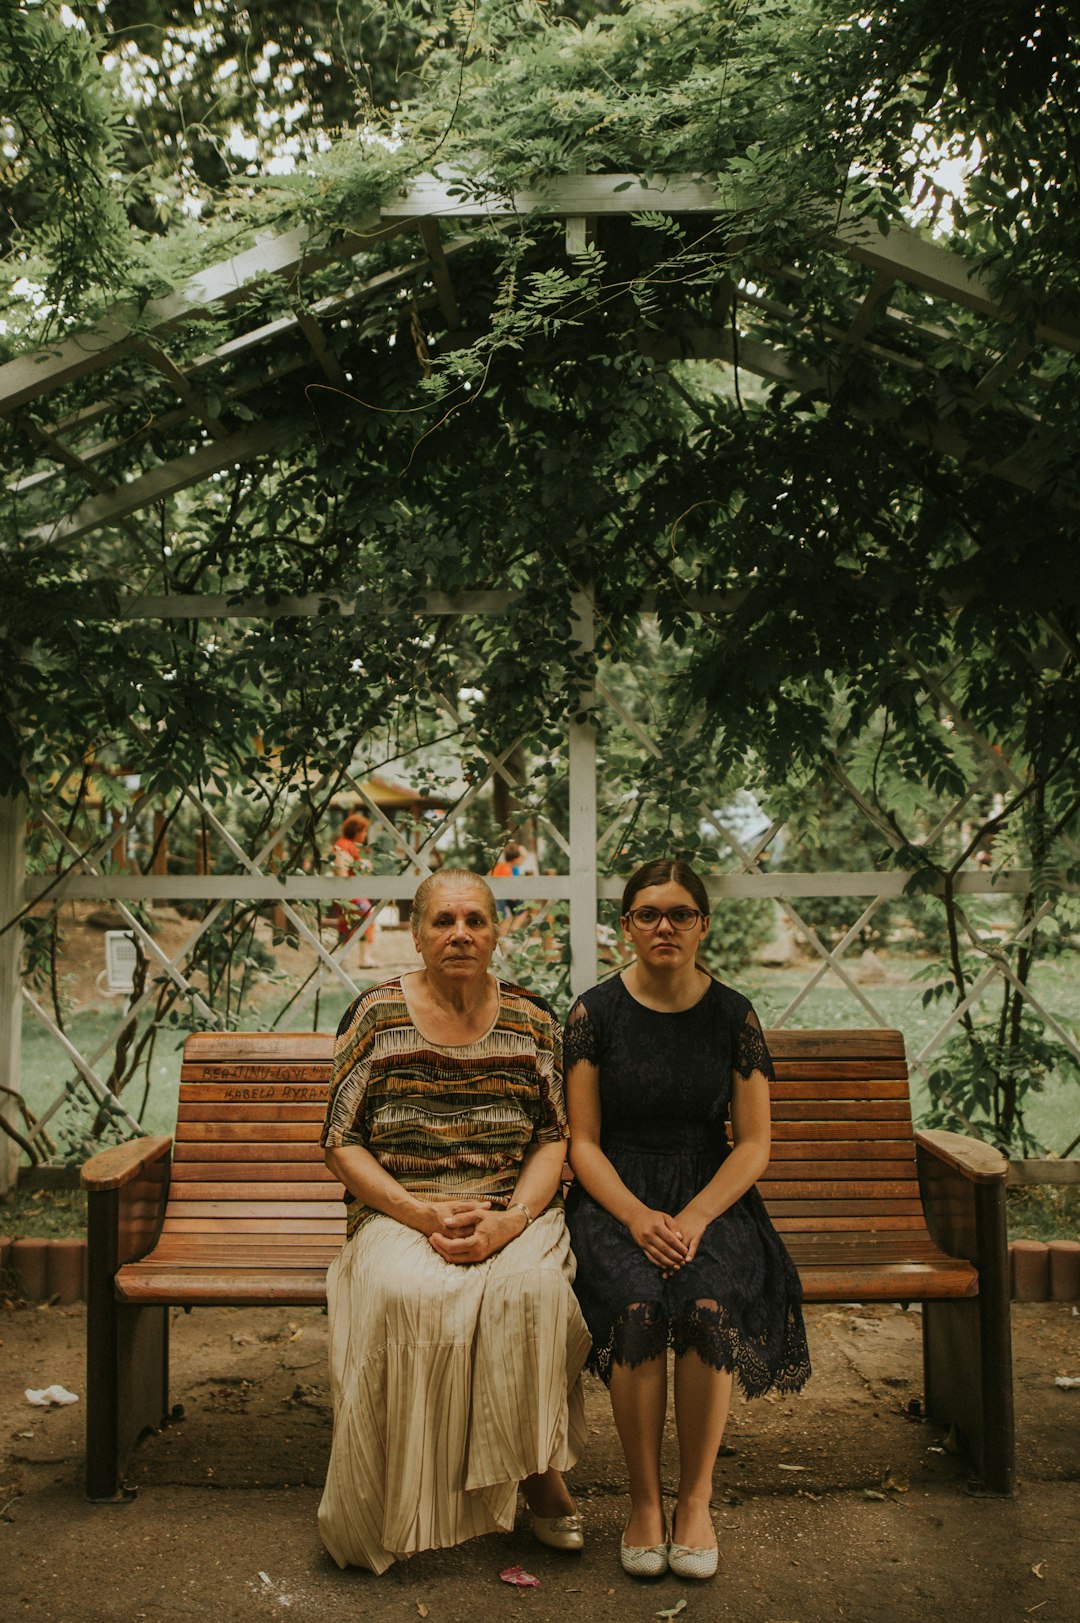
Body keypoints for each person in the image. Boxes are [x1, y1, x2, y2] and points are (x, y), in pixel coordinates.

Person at [319, 868, 590, 1574]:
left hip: (512, 1206)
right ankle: (399, 1497)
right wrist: (418, 1212)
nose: (460, 932)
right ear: (416, 934)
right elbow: (340, 1141)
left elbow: (552, 1137)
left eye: (475, 918)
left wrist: (513, 1219)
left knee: (530, 1294)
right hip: (399, 1209)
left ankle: (536, 1475)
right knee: (414, 1295)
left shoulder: (532, 1018)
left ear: (498, 932)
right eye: (443, 920)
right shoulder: (374, 1015)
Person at [564, 858, 811, 1580]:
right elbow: (581, 1141)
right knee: (638, 1304)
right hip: (617, 1193)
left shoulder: (733, 1015)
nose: (664, 926)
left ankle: (695, 1500)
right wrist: (639, 1216)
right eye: (648, 913)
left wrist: (697, 1215)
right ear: (627, 926)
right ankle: (645, 1502)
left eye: (679, 913)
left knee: (705, 1301)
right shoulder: (593, 1013)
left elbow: (756, 1142)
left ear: (703, 924)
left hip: (712, 1192)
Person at [332, 811, 374, 968]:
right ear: (357, 831)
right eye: (364, 831)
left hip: (346, 895)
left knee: (345, 925)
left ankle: (340, 959)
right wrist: (363, 865)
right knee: (367, 917)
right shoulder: (343, 846)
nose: (365, 835)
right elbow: (342, 868)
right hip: (351, 894)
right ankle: (364, 959)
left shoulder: (348, 846)